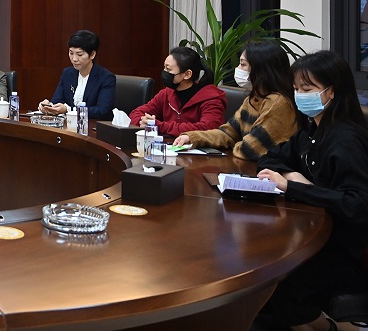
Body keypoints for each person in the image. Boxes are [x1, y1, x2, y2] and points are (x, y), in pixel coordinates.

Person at [254, 51, 368, 331]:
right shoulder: (311, 130)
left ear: (332, 92)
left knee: (275, 284)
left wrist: (295, 187)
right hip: (311, 233)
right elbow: (269, 157)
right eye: (295, 89)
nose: (299, 96)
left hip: (342, 248)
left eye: (307, 89)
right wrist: (291, 176)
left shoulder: (346, 138)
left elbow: (356, 203)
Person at [173, 40, 298, 160]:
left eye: (243, 64)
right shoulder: (253, 99)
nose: (237, 68)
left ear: (261, 70)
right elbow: (228, 133)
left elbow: (250, 150)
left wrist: (236, 144)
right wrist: (192, 137)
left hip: (267, 171)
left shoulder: (278, 103)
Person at [128, 46, 226, 137]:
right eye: (164, 68)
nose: (164, 72)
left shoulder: (211, 99)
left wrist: (160, 126)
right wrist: (145, 122)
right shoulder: (167, 93)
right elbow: (136, 113)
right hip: (169, 146)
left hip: (197, 149)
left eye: (168, 69)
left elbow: (208, 129)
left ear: (187, 74)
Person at [39, 30, 116, 119]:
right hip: (68, 124)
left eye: (79, 54)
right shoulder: (67, 73)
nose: (74, 59)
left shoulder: (106, 78)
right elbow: (57, 100)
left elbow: (102, 111)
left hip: (92, 125)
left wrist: (69, 110)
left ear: (92, 54)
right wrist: (49, 106)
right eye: (71, 53)